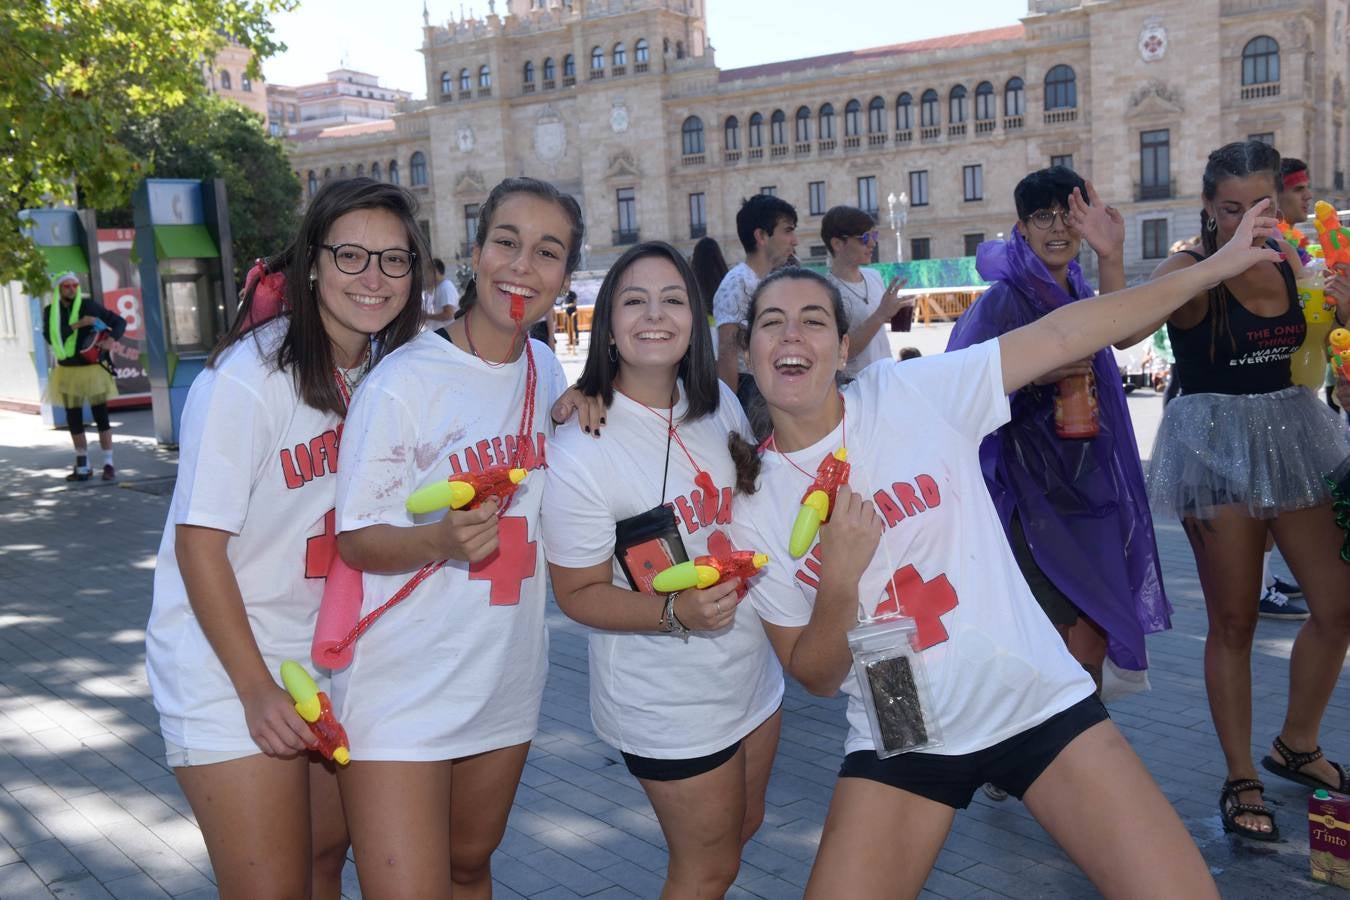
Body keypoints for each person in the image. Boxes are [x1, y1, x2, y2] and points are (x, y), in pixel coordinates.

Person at [727, 197, 1280, 897]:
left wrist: (1213, 270)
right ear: (748, 352)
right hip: (902, 720)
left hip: (1030, 696)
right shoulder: (755, 503)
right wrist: (838, 584)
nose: (791, 337)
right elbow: (809, 674)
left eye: (813, 320)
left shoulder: (909, 394)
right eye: (771, 324)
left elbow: (1064, 334)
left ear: (843, 347)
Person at [145, 177, 428, 898]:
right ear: (310, 262)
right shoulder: (248, 378)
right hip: (232, 669)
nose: (374, 278)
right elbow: (198, 545)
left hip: (326, 664)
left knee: (324, 860)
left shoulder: (386, 374)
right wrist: (253, 689)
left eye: (394, 260)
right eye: (351, 256)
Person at [333, 176, 582, 896]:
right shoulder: (405, 381)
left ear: (564, 276)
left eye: (547, 251)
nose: (521, 266)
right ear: (476, 251)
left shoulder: (544, 367)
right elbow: (356, 539)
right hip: (402, 685)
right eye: (506, 242)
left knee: (470, 866)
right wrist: (437, 542)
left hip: (504, 674)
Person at [541, 241, 784, 898]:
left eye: (673, 299)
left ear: (696, 318)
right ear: (609, 323)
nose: (655, 314)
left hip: (751, 677)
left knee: (744, 830)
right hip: (667, 700)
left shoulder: (717, 405)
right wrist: (672, 611)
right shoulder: (582, 443)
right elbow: (576, 593)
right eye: (634, 300)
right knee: (706, 867)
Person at [1146, 140, 1350, 842]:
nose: (1242, 221)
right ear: (1207, 206)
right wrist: (1116, 262)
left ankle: (1296, 742)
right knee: (1235, 623)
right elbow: (1135, 321)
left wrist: (1343, 313)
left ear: (1276, 203)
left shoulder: (1289, 258)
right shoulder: (1189, 264)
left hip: (1293, 433)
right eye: (1228, 208)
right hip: (1213, 448)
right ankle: (1241, 776)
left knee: (1338, 604)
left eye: (1256, 207)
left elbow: (1317, 344)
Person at [947, 168, 1167, 711]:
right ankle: (1052, 744)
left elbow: (1120, 329)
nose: (1057, 228)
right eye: (1042, 216)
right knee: (1054, 629)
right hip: (1028, 496)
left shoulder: (1078, 286)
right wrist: (1032, 374)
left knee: (1095, 623)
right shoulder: (1003, 301)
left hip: (1087, 485)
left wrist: (1111, 254)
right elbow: (955, 388)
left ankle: (1068, 739)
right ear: (1021, 228)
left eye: (1067, 214)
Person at [42, 272, 126, 481]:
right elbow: (52, 337)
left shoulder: (88, 305)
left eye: (75, 285)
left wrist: (111, 340)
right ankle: (83, 465)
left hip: (91, 371)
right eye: (67, 286)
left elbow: (119, 321)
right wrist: (78, 324)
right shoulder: (51, 311)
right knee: (74, 419)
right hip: (67, 371)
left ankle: (108, 464)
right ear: (58, 289)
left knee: (101, 417)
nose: (71, 288)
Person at [713, 194, 798, 400]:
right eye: (787, 230)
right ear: (761, 236)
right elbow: (727, 353)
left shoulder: (767, 280)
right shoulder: (738, 283)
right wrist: (731, 415)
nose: (794, 240)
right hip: (748, 393)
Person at [821, 206, 913, 378]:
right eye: (864, 238)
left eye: (874, 236)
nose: (872, 243)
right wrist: (880, 314)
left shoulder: (873, 276)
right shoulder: (825, 291)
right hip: (853, 385)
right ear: (837, 244)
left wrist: (892, 312)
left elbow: (876, 321)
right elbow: (840, 351)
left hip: (885, 376)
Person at [424, 257, 460, 326]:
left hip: (445, 334)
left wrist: (426, 316)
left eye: (427, 272)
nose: (425, 276)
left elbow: (448, 314)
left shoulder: (446, 287)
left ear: (435, 271)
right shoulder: (438, 288)